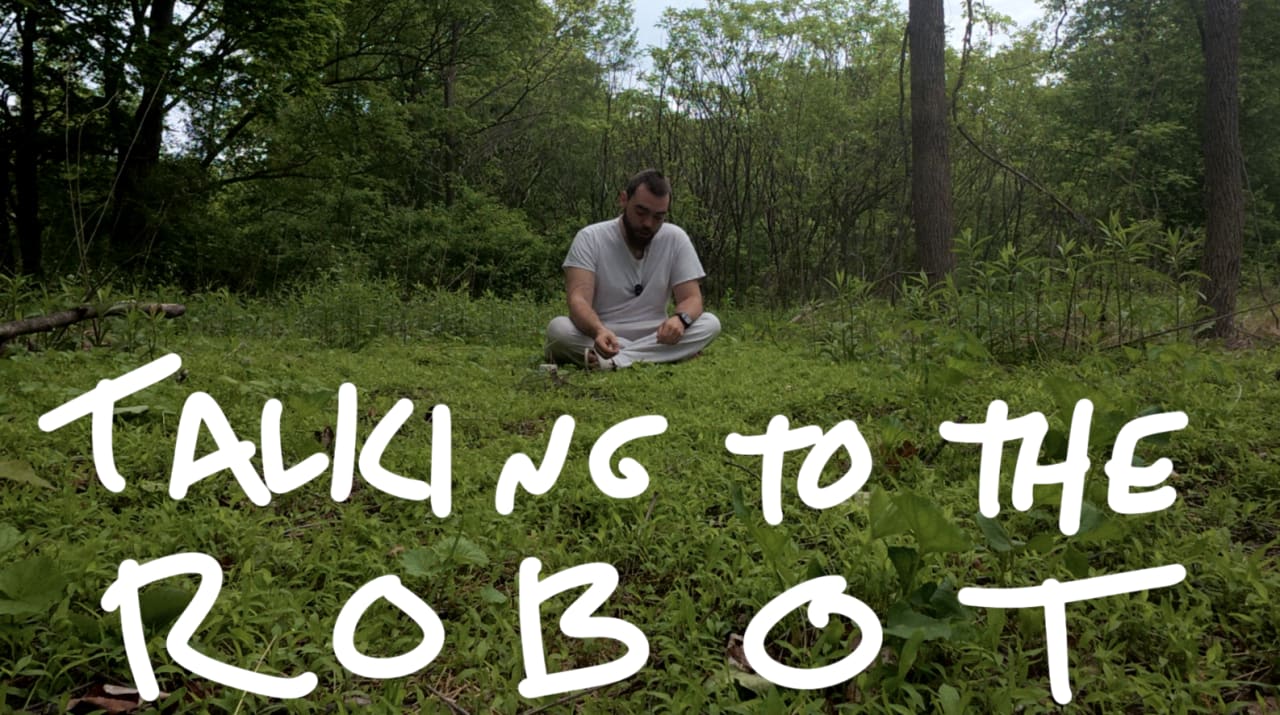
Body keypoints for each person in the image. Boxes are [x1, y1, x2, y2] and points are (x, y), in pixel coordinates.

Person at [545, 169, 721, 370]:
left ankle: (614, 362)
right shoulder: (590, 238)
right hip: (604, 335)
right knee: (558, 330)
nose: (648, 223)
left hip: (657, 336)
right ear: (623, 199)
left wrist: (680, 320)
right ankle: (663, 356)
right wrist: (598, 331)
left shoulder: (675, 238)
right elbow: (578, 300)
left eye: (658, 217)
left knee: (711, 323)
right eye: (641, 212)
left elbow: (692, 299)